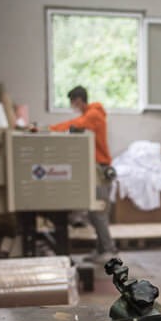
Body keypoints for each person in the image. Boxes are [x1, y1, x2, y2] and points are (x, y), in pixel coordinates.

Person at [49, 85, 117, 262]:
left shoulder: (93, 114)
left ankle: (109, 251)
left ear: (79, 100)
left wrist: (50, 129)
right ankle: (101, 249)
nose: (74, 106)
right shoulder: (90, 114)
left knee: (98, 212)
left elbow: (74, 125)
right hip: (96, 168)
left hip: (100, 169)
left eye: (73, 103)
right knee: (94, 212)